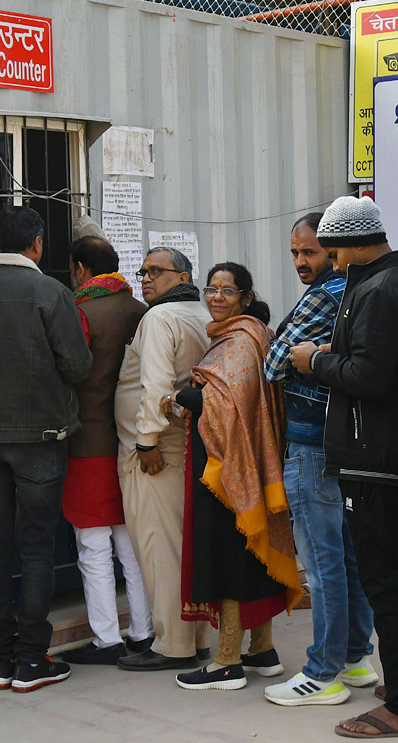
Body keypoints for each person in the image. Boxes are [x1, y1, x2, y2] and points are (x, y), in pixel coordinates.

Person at [289, 195, 398, 739]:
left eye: (329, 248)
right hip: (384, 455)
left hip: (378, 459)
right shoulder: (389, 284)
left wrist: (315, 360)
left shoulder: (382, 289)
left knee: (387, 583)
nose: (326, 258)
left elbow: (370, 378)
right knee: (394, 580)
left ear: (349, 243)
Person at [0, 206, 92, 692]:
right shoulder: (52, 293)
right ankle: (31, 660)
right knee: (37, 548)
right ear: (38, 244)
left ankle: (0, 660)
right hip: (40, 441)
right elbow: (78, 365)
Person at [263, 213, 376, 706]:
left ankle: (322, 673)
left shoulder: (325, 295)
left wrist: (303, 352)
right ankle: (354, 656)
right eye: (294, 253)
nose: (300, 262)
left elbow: (273, 364)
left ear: (333, 249)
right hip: (345, 441)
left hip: (312, 444)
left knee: (322, 561)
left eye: (309, 251)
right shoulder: (356, 292)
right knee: (346, 556)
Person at [170, 263, 300, 690]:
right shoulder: (244, 336)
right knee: (251, 555)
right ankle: (262, 650)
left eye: (228, 290)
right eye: (212, 288)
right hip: (239, 463)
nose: (217, 297)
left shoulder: (241, 341)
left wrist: (186, 397)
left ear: (245, 296)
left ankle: (226, 661)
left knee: (227, 555)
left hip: (226, 471)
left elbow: (229, 406)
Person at [115, 247, 214, 671]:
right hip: (189, 443)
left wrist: (146, 443)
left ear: (184, 274)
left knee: (160, 549)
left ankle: (172, 646)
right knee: (184, 544)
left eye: (156, 271)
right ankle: (195, 638)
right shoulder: (201, 314)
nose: (146, 278)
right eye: (142, 271)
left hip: (155, 453)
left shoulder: (158, 318)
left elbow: (155, 386)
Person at [61, 236, 153, 665]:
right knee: (131, 541)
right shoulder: (142, 311)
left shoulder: (78, 311)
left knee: (93, 545)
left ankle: (106, 638)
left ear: (80, 269)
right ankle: (144, 631)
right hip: (136, 440)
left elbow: (68, 375)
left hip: (90, 441)